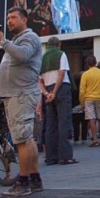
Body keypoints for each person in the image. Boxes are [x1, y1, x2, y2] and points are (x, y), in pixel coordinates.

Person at [0, 8, 43, 197]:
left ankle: (22, 182)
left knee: (21, 140)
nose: (9, 21)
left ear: (24, 19)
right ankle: (35, 178)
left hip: (20, 94)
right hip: (15, 94)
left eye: (13, 18)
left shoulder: (29, 37)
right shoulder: (17, 40)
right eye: (8, 18)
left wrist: (2, 41)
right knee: (27, 139)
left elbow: (22, 55)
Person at [40, 32, 76, 167]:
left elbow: (39, 80)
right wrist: (55, 91)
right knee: (64, 122)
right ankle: (65, 156)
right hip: (61, 89)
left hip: (47, 91)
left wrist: (46, 93)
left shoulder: (42, 58)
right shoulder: (61, 54)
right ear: (58, 45)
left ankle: (51, 157)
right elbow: (62, 73)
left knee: (51, 125)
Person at [80, 56, 100, 148]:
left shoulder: (85, 74)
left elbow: (82, 90)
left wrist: (82, 102)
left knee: (91, 118)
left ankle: (95, 139)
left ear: (88, 64)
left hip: (88, 98)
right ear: (96, 63)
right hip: (99, 97)